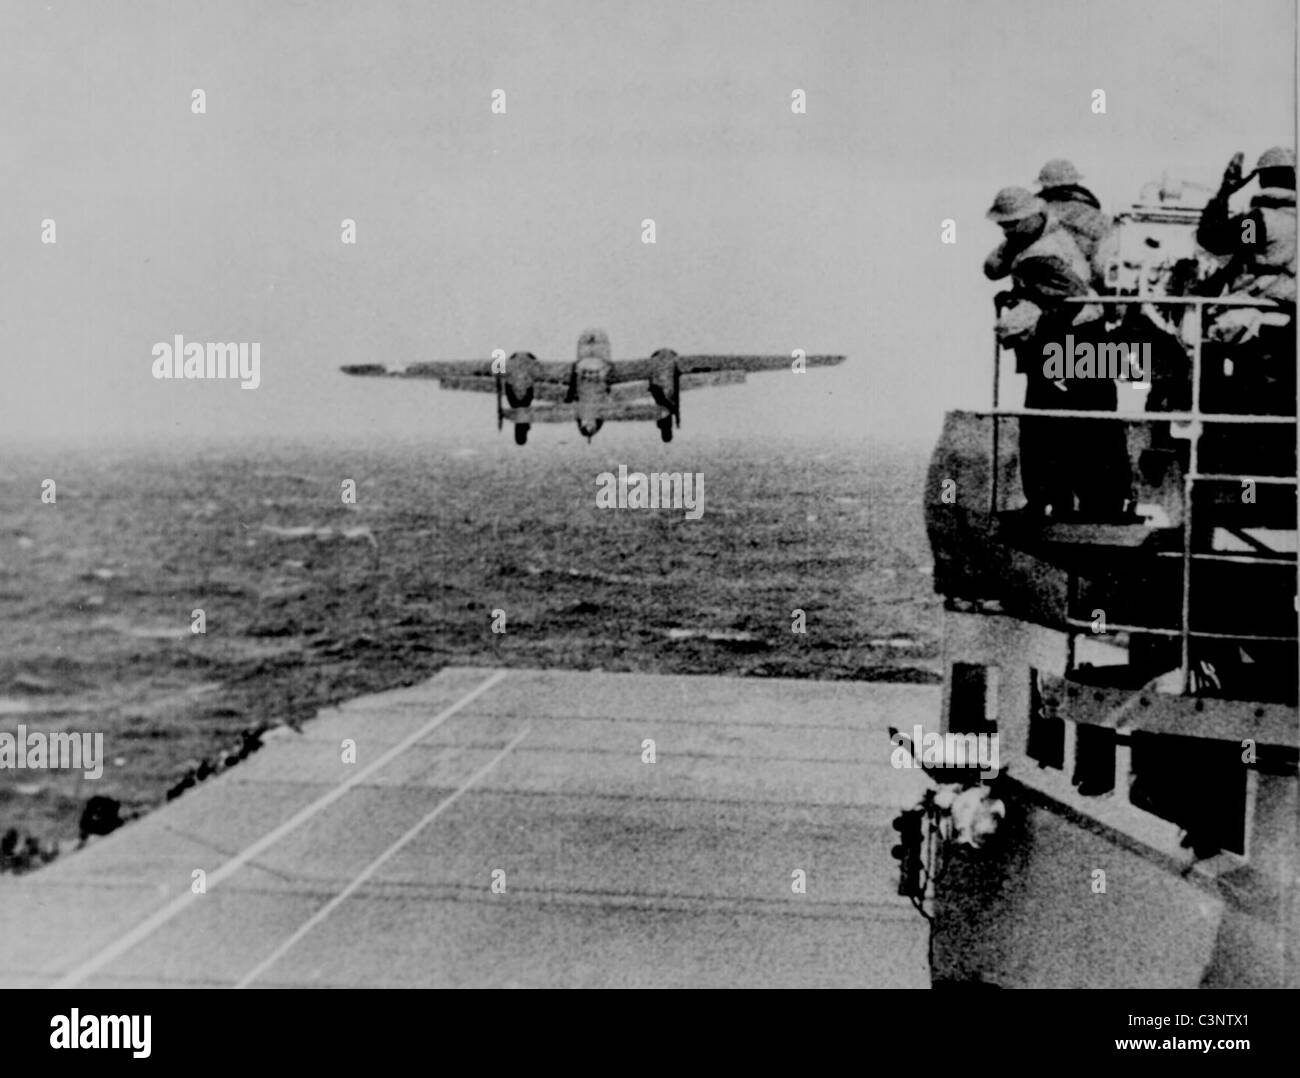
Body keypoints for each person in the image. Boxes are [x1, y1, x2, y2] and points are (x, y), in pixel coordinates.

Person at [984, 187, 1132, 520]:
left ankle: (1048, 502)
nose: (1007, 232)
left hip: (1066, 342)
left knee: (1043, 427)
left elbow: (1072, 299)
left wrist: (1034, 318)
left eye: (1011, 225)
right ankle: (1107, 505)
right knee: (1098, 425)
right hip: (1092, 339)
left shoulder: (1039, 253)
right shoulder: (1061, 235)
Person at [1035, 159, 1117, 289]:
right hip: (1088, 292)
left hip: (1038, 289)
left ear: (1044, 185)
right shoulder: (1099, 217)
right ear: (1075, 183)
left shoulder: (1035, 216)